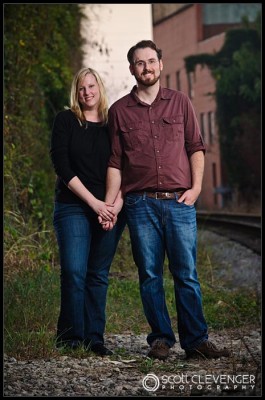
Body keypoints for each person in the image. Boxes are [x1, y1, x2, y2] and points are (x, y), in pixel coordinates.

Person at [102, 40, 231, 360]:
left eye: (151, 61)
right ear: (132, 69)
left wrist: (197, 188)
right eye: (139, 63)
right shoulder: (118, 111)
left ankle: (196, 340)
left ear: (160, 64)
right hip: (139, 205)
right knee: (149, 274)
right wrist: (108, 205)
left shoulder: (181, 102)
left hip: (179, 203)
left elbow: (196, 148)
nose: (146, 68)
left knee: (186, 272)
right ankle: (160, 339)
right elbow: (115, 163)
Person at [50, 67, 126, 356]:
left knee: (97, 274)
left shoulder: (113, 124)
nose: (87, 92)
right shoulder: (66, 120)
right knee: (74, 271)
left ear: (99, 88)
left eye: (92, 86)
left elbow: (127, 167)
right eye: (82, 88)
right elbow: (62, 165)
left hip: (110, 208)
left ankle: (95, 338)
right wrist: (95, 204)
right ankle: (70, 337)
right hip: (73, 207)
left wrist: (113, 208)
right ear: (76, 92)